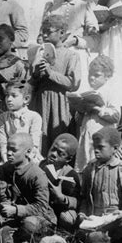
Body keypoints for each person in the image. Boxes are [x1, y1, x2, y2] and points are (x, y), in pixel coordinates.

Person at [77, 127, 122, 243]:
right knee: (94, 239)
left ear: (115, 148)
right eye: (94, 147)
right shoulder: (89, 170)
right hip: (96, 221)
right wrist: (82, 213)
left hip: (119, 220)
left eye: (100, 147)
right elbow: (84, 198)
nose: (96, 151)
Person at [30, 15, 81, 155]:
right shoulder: (39, 53)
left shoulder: (70, 55)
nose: (45, 35)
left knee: (58, 139)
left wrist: (50, 72)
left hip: (60, 103)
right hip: (40, 101)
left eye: (49, 31)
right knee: (40, 138)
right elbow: (33, 83)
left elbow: (72, 83)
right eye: (43, 31)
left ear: (62, 33)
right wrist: (35, 72)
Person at [43, 0, 99, 93]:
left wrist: (75, 40)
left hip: (76, 56)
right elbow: (42, 34)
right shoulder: (53, 8)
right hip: (55, 57)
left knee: (75, 92)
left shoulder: (85, 7)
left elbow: (95, 39)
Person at [0, 133, 57, 243]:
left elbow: (42, 207)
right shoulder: (5, 169)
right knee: (1, 239)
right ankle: (27, 240)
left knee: (28, 226)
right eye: (8, 149)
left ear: (28, 152)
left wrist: (16, 210)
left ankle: (47, 240)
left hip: (41, 218)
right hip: (15, 218)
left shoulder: (37, 175)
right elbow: (3, 194)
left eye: (14, 150)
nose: (9, 153)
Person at [75, 55, 120, 173]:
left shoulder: (110, 92)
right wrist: (80, 109)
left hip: (102, 137)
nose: (92, 78)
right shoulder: (87, 92)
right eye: (90, 74)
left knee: (99, 166)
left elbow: (116, 116)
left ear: (107, 77)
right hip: (86, 135)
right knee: (85, 165)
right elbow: (78, 121)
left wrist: (97, 109)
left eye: (97, 75)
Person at [39, 134, 81, 231]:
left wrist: (61, 197)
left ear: (68, 159)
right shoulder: (40, 165)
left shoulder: (71, 174)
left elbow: (77, 201)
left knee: (67, 218)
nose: (54, 154)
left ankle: (63, 232)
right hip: (44, 207)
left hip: (61, 209)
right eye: (53, 149)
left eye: (60, 153)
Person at [0, 80, 42, 164]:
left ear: (26, 99)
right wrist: (6, 160)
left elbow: (34, 144)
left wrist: (26, 162)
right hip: (9, 157)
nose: (9, 99)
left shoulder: (34, 117)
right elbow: (3, 143)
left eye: (14, 96)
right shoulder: (2, 118)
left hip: (29, 158)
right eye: (7, 95)